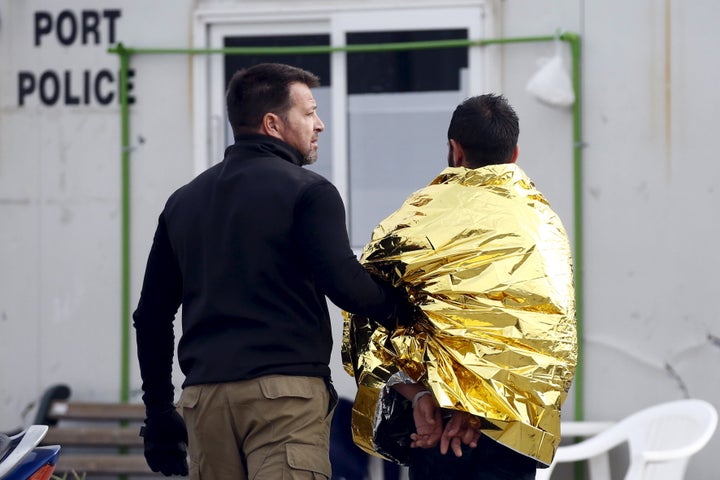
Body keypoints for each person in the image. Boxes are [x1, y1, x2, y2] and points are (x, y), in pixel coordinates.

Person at [133, 63, 407, 480]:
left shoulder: (183, 202)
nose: (321, 124)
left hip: (204, 402)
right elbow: (348, 287)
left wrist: (158, 413)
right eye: (310, 112)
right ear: (273, 123)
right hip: (283, 400)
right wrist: (414, 311)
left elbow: (151, 316)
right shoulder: (309, 192)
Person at [342, 94, 577, 480]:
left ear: (455, 149)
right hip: (510, 431)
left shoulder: (414, 219)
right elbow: (550, 341)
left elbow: (365, 311)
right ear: (514, 153)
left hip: (433, 428)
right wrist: (479, 409)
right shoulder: (542, 226)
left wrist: (418, 396)